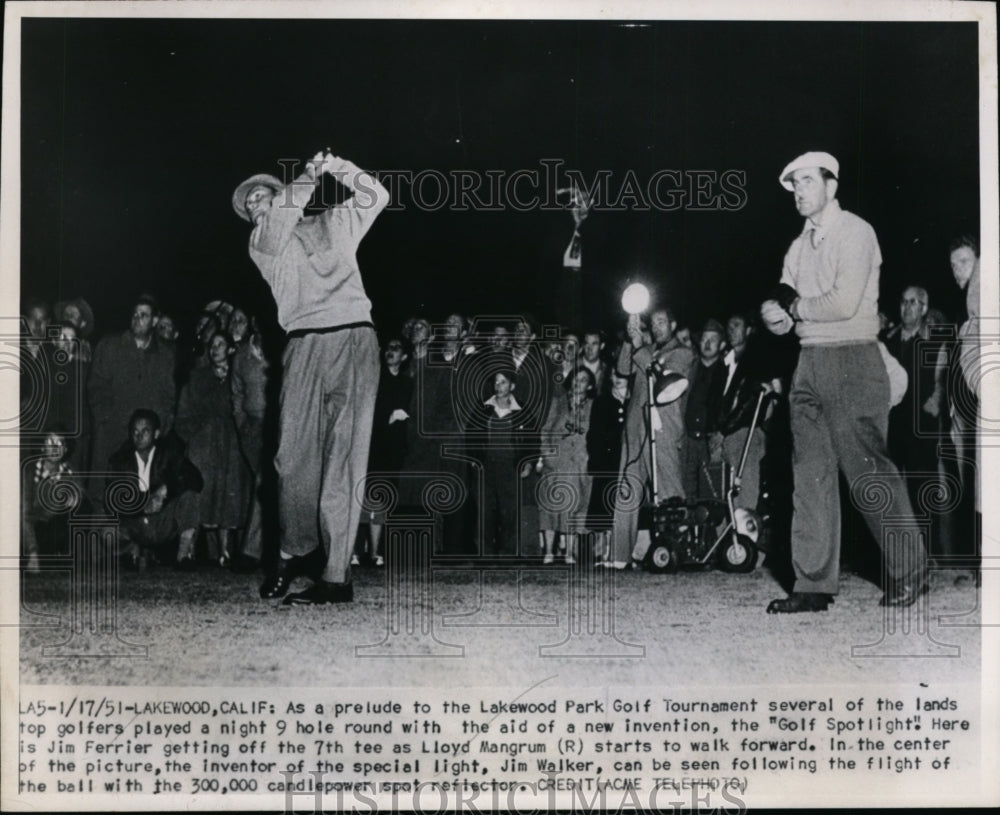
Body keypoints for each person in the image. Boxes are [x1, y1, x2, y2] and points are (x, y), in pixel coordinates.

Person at [760, 151, 927, 612]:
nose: (798, 190)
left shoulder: (857, 232)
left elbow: (842, 304)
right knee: (808, 475)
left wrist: (792, 307)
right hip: (808, 360)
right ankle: (813, 584)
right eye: (793, 183)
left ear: (831, 186)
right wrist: (773, 313)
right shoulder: (797, 247)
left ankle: (911, 572)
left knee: (867, 471)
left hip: (853, 358)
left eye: (807, 181)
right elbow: (781, 305)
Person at [233, 150, 388, 605]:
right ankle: (291, 549)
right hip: (305, 341)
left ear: (278, 194)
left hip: (357, 338)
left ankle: (337, 576)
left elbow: (376, 194)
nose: (258, 207)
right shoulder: (264, 240)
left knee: (346, 461)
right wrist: (307, 176)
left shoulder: (332, 223)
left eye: (263, 197)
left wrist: (337, 166)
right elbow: (283, 217)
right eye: (251, 207)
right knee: (292, 458)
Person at [609, 307, 694, 569]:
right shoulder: (645, 348)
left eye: (662, 322)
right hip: (635, 429)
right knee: (626, 490)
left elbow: (661, 378)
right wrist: (629, 338)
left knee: (668, 490)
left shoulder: (682, 353)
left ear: (673, 324)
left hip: (662, 429)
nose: (657, 328)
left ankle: (675, 549)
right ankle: (619, 557)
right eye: (653, 323)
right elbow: (623, 369)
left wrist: (639, 346)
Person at [88, 295, 176, 503]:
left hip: (144, 437)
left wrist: (158, 429)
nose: (137, 319)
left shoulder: (165, 355)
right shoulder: (110, 346)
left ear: (155, 321)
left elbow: (168, 397)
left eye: (144, 315)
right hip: (112, 431)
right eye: (135, 314)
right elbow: (95, 387)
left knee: (138, 494)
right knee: (103, 495)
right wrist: (105, 418)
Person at [175, 332, 251, 567]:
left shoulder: (239, 377)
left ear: (230, 349)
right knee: (196, 492)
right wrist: (193, 436)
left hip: (231, 444)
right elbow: (184, 413)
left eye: (220, 344)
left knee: (230, 492)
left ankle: (226, 552)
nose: (214, 349)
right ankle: (185, 550)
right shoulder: (198, 378)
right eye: (212, 345)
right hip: (203, 443)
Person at [882, 286, 947, 553]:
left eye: (913, 303)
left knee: (924, 489)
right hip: (892, 423)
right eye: (903, 302)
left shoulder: (935, 340)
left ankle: (929, 553)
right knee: (891, 489)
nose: (907, 308)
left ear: (923, 308)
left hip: (922, 425)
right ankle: (895, 554)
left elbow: (944, 377)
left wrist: (935, 404)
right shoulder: (888, 340)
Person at [107, 409, 203, 570]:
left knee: (190, 496)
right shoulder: (119, 460)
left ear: (156, 434)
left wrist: (165, 489)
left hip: (162, 520)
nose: (139, 436)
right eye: (135, 431)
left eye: (145, 431)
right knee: (105, 528)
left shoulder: (169, 454)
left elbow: (196, 479)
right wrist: (143, 504)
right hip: (135, 522)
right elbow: (112, 500)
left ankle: (184, 555)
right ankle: (131, 552)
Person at [358, 336, 412, 566]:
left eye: (396, 348)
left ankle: (375, 552)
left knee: (382, 496)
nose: (390, 351)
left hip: (393, 449)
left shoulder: (407, 384)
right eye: (388, 347)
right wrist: (386, 419)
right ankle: (354, 551)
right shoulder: (374, 379)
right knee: (362, 494)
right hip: (371, 443)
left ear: (405, 357)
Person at [947, 234, 981, 580]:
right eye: (954, 265)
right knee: (974, 486)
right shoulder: (969, 311)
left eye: (965, 262)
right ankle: (979, 565)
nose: (959, 270)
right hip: (967, 413)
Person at [538, 366, 596, 564]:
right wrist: (547, 455)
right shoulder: (558, 403)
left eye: (583, 380)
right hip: (556, 463)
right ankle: (548, 551)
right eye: (575, 379)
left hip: (579, 465)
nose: (578, 383)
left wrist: (588, 458)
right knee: (549, 508)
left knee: (573, 508)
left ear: (590, 386)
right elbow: (545, 431)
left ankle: (570, 552)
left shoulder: (593, 406)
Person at [682, 319, 727, 501]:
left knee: (713, 494)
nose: (707, 344)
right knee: (687, 493)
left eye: (713, 340)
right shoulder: (689, 369)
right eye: (704, 339)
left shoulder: (726, 372)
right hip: (688, 440)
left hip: (712, 442)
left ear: (722, 344)